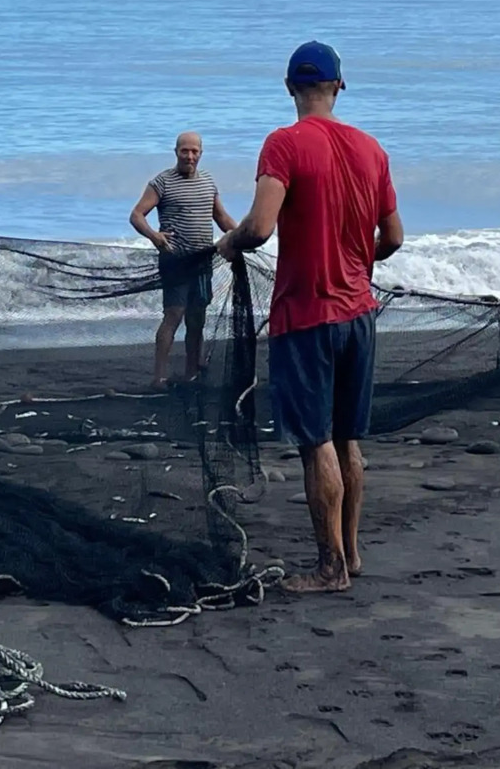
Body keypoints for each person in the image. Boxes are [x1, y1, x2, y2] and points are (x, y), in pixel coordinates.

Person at [217, 41, 403, 592]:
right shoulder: (372, 149)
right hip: (359, 314)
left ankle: (330, 568)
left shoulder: (284, 144)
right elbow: (392, 236)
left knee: (316, 441)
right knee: (347, 438)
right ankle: (351, 553)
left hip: (306, 316)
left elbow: (260, 227)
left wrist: (229, 242)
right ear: (339, 85)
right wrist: (355, 260)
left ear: (288, 87)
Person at [129, 131, 238, 386]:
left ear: (201, 153)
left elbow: (221, 218)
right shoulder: (162, 182)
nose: (190, 156)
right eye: (184, 151)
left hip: (202, 261)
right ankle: (159, 376)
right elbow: (136, 215)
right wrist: (154, 236)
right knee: (174, 315)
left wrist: (241, 235)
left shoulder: (208, 182)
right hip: (175, 260)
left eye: (194, 151)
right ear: (176, 152)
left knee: (197, 317)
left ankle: (191, 373)